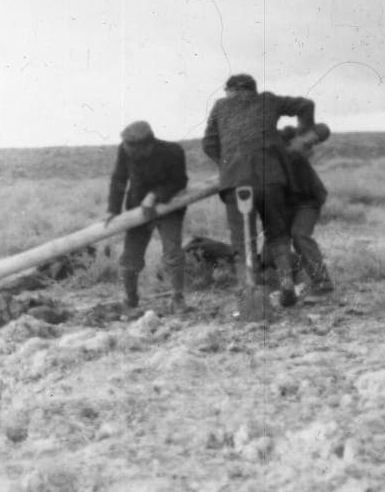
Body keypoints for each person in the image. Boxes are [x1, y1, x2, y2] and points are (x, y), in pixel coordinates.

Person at [202, 73, 316, 307]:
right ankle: (286, 282)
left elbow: (209, 144)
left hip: (235, 182)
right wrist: (304, 136)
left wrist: (228, 166)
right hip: (271, 178)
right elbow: (306, 105)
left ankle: (249, 289)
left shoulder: (221, 107)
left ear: (231, 90)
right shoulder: (268, 100)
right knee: (277, 233)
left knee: (242, 239)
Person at [105, 121, 189, 313]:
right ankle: (130, 299)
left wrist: (154, 196)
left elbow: (179, 181)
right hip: (138, 210)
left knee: (173, 254)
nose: (132, 154)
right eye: (128, 149)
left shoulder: (173, 151)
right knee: (130, 259)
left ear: (148, 145)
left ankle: (178, 299)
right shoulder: (125, 149)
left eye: (136, 151)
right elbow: (119, 178)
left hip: (169, 208)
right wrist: (113, 209)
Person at [279, 124, 334, 294]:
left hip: (308, 201)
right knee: (273, 248)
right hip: (287, 205)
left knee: (300, 235)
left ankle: (322, 281)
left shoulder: (292, 148)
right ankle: (296, 274)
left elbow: (321, 131)